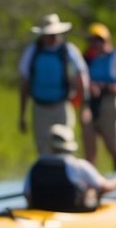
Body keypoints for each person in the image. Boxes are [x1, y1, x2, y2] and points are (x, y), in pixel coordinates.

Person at [18, 12, 89, 155]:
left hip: (61, 106)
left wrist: (85, 106)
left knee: (64, 147)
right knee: (43, 149)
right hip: (40, 107)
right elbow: (24, 83)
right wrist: (22, 114)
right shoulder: (32, 52)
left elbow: (81, 77)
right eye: (49, 34)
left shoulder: (68, 50)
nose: (53, 37)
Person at [23, 124, 116, 212]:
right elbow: (105, 187)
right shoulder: (78, 166)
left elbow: (28, 195)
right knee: (91, 194)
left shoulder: (36, 166)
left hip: (40, 216)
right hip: (73, 215)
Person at [80, 22, 116, 174]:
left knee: (114, 145)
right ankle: (90, 180)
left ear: (106, 40)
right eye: (93, 40)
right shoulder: (85, 58)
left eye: (100, 39)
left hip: (109, 102)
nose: (96, 43)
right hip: (90, 104)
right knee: (89, 148)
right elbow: (78, 79)